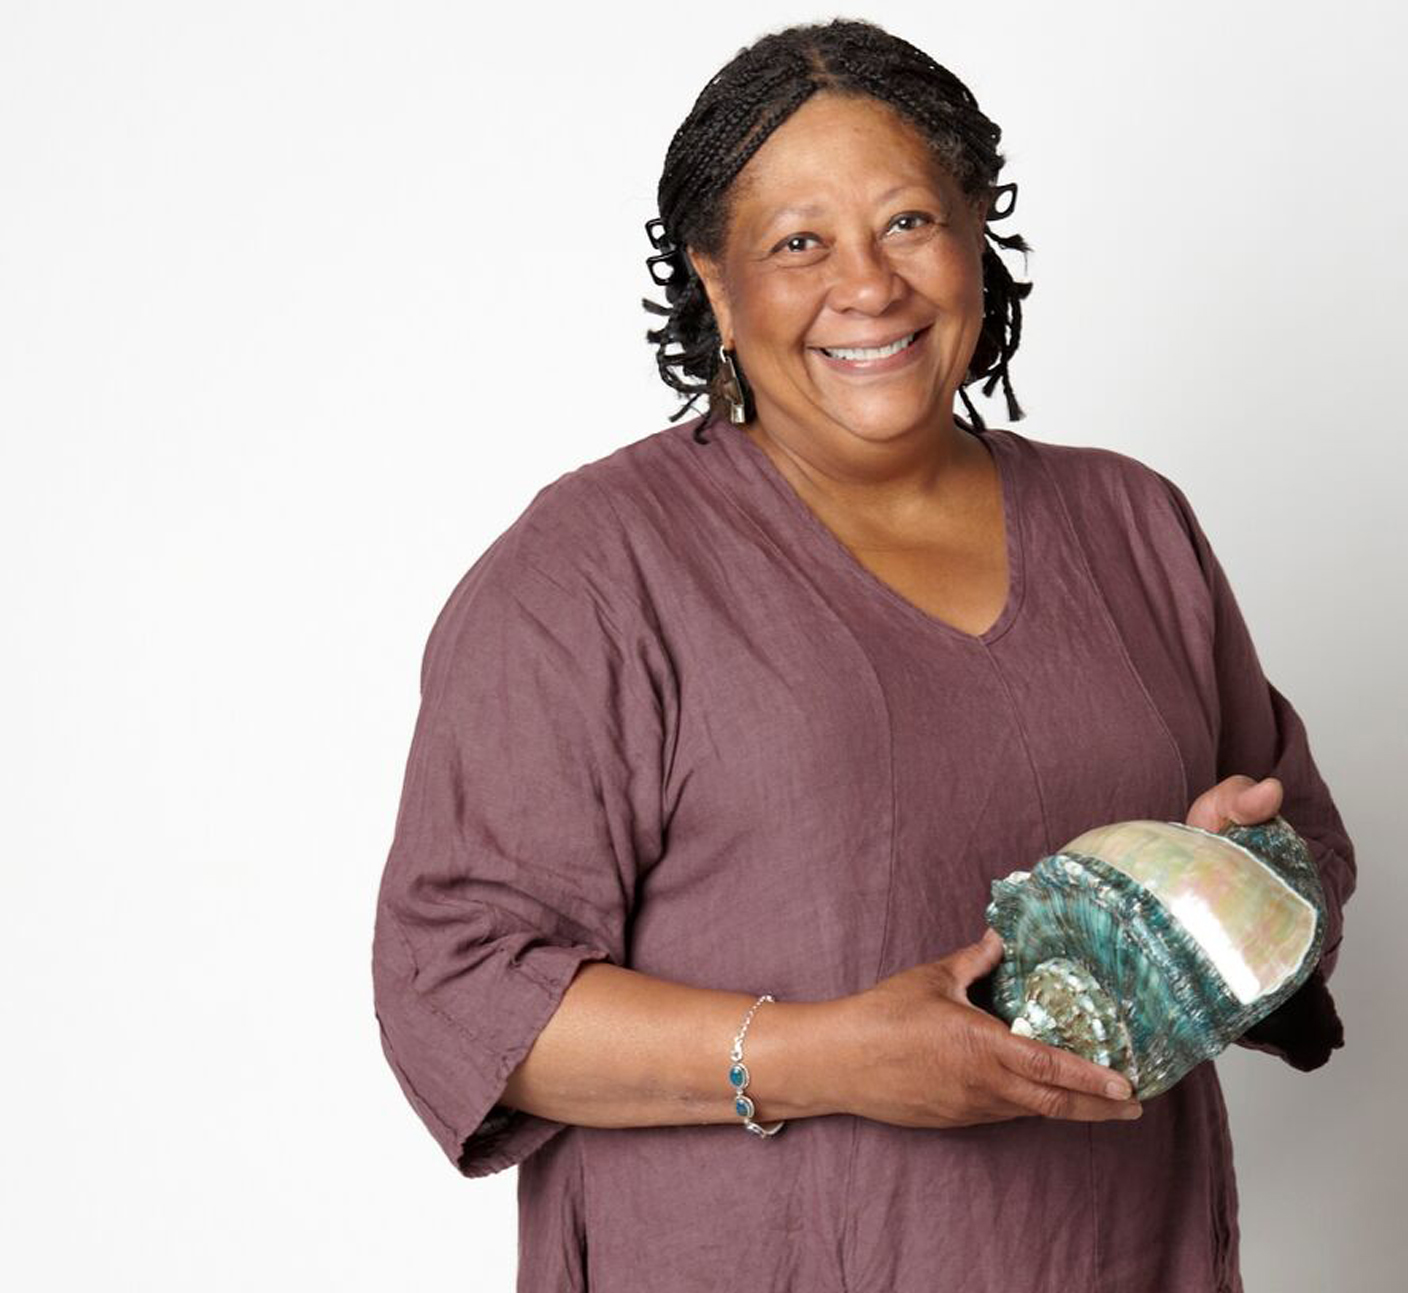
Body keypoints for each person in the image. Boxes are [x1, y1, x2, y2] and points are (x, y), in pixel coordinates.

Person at [370, 18, 1356, 1292]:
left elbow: (1300, 855)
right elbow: (460, 991)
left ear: (976, 233)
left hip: (1115, 1255)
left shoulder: (1131, 525)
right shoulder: (591, 573)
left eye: (907, 222)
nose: (868, 285)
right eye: (799, 243)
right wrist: (829, 1058)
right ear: (715, 283)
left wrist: (1219, 889)